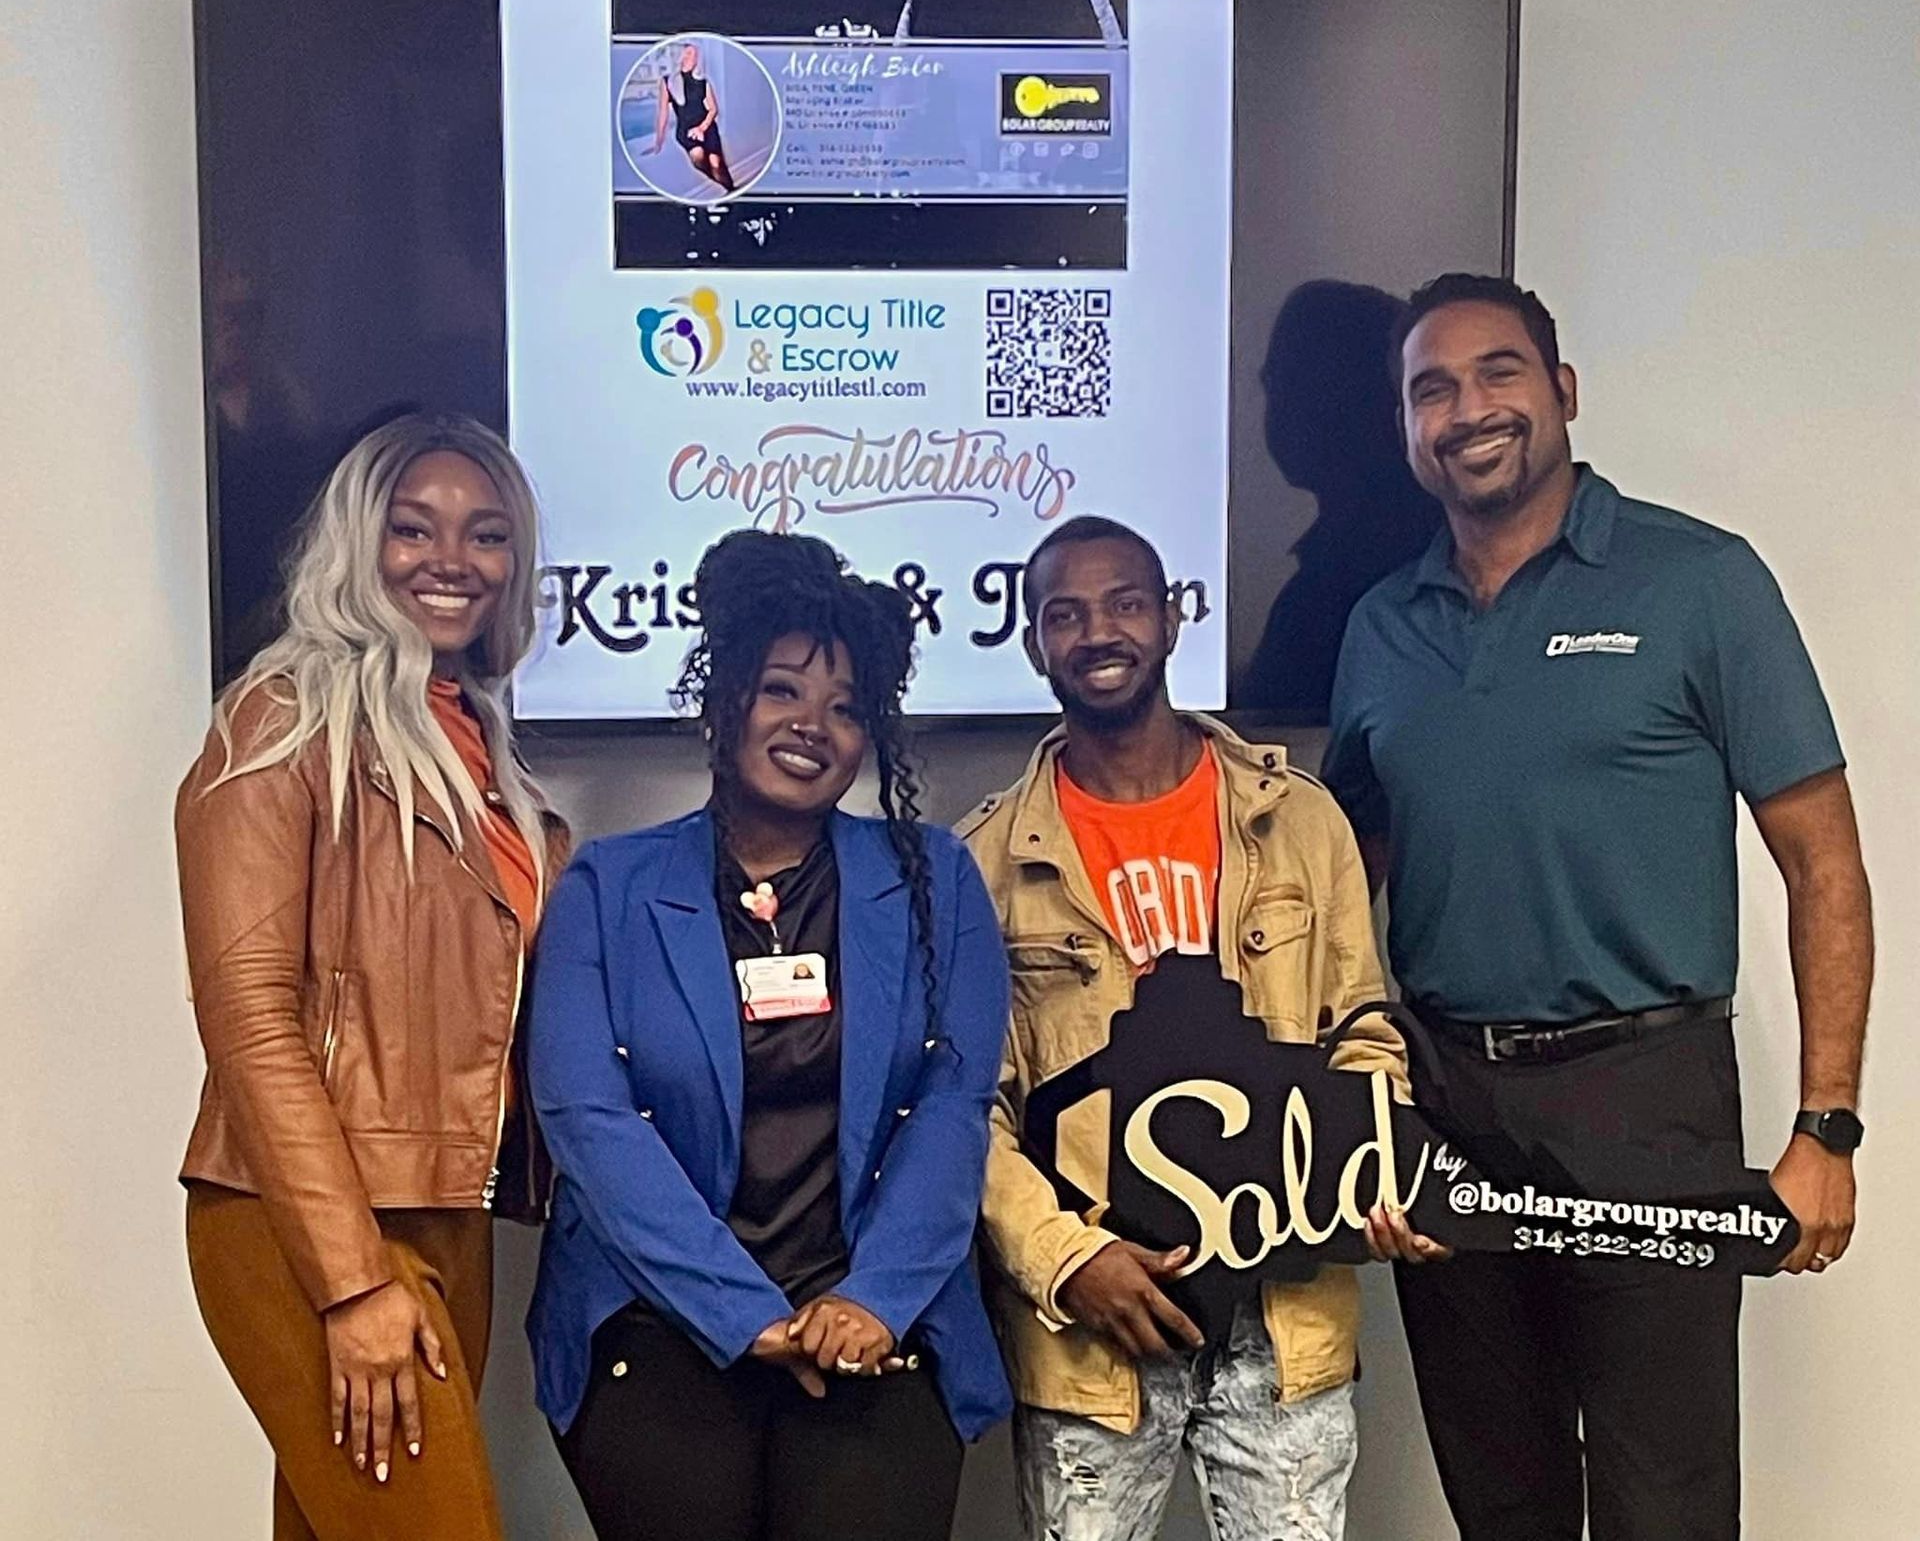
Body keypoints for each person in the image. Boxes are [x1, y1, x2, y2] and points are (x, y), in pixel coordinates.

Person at [1325, 273, 1873, 1541]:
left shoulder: (1701, 579)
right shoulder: (1379, 626)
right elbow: (1342, 883)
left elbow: (1824, 863)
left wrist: (1827, 1126)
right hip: (1447, 1104)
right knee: (1499, 1495)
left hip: (1646, 1097)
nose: (1469, 408)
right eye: (1431, 389)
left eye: (1499, 371)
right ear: (1405, 431)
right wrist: (1349, 1121)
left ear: (1563, 391)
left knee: (1663, 1499)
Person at [526, 529, 1013, 1541]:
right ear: (722, 700)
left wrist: (874, 1299)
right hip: (659, 1311)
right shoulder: (608, 885)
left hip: (874, 1310)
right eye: (782, 689)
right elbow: (587, 1120)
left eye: (846, 706)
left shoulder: (935, 879)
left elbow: (953, 1107)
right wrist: (742, 1311)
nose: (811, 725)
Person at [958, 515, 1419, 1541]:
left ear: (1172, 618)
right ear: (1033, 644)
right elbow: (968, 1111)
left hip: (1282, 1312)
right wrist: (1066, 1260)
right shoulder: (983, 862)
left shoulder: (1300, 820)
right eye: (1065, 614)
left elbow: (1362, 1032)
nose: (1098, 632)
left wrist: (1375, 1166)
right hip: (1093, 1330)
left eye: (1125, 602)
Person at [176, 412, 569, 1540]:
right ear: (359, 540)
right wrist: (349, 1279)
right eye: (413, 527)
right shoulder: (281, 718)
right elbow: (249, 1020)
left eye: (487, 533)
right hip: (302, 1217)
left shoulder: (481, 749)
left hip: (450, 1216)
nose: (453, 558)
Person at [651, 42, 736, 193]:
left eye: (695, 55)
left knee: (716, 163)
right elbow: (663, 112)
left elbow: (713, 109)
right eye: (689, 53)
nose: (692, 57)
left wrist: (701, 128)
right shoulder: (668, 82)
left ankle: (731, 189)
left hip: (706, 127)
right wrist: (659, 140)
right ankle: (724, 184)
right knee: (698, 158)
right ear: (681, 56)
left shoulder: (703, 82)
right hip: (686, 130)